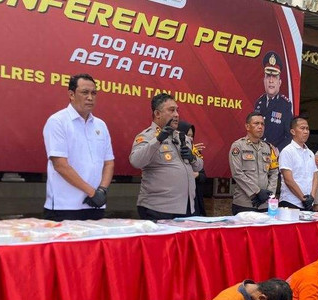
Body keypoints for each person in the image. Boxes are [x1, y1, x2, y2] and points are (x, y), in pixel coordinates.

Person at [43, 73, 114, 221]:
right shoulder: (57, 121)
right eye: (84, 92)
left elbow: (108, 163)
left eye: (94, 93)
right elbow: (60, 165)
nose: (90, 97)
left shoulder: (101, 125)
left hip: (95, 206)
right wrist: (92, 193)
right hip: (65, 207)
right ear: (71, 94)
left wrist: (102, 190)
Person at [130, 94, 203, 220]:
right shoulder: (147, 136)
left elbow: (200, 165)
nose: (176, 115)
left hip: (186, 208)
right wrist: (158, 140)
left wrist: (192, 158)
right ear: (157, 114)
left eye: (177, 110)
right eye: (171, 110)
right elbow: (136, 161)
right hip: (159, 209)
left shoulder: (183, 137)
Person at [229, 112, 279, 215]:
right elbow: (237, 173)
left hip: (264, 203)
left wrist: (268, 193)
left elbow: (274, 172)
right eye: (256, 123)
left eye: (262, 124)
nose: (260, 127)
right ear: (247, 126)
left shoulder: (268, 147)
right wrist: (256, 191)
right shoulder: (238, 146)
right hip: (245, 203)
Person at [254, 51, 293, 152]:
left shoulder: (285, 105)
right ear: (264, 80)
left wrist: (277, 150)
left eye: (274, 77)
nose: (271, 80)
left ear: (279, 82)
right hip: (257, 152)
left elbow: (289, 136)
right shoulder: (259, 102)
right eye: (268, 76)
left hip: (275, 157)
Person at [279, 116, 318, 212]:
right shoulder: (287, 151)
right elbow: (288, 180)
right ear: (293, 131)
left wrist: (311, 198)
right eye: (302, 128)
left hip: (308, 203)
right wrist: (303, 198)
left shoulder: (310, 153)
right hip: (291, 202)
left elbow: (315, 177)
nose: (306, 132)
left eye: (307, 129)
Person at [177, 121, 207, 216]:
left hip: (194, 198)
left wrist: (196, 175)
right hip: (178, 199)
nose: (190, 138)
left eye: (192, 135)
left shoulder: (195, 152)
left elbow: (203, 176)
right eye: (187, 135)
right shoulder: (172, 151)